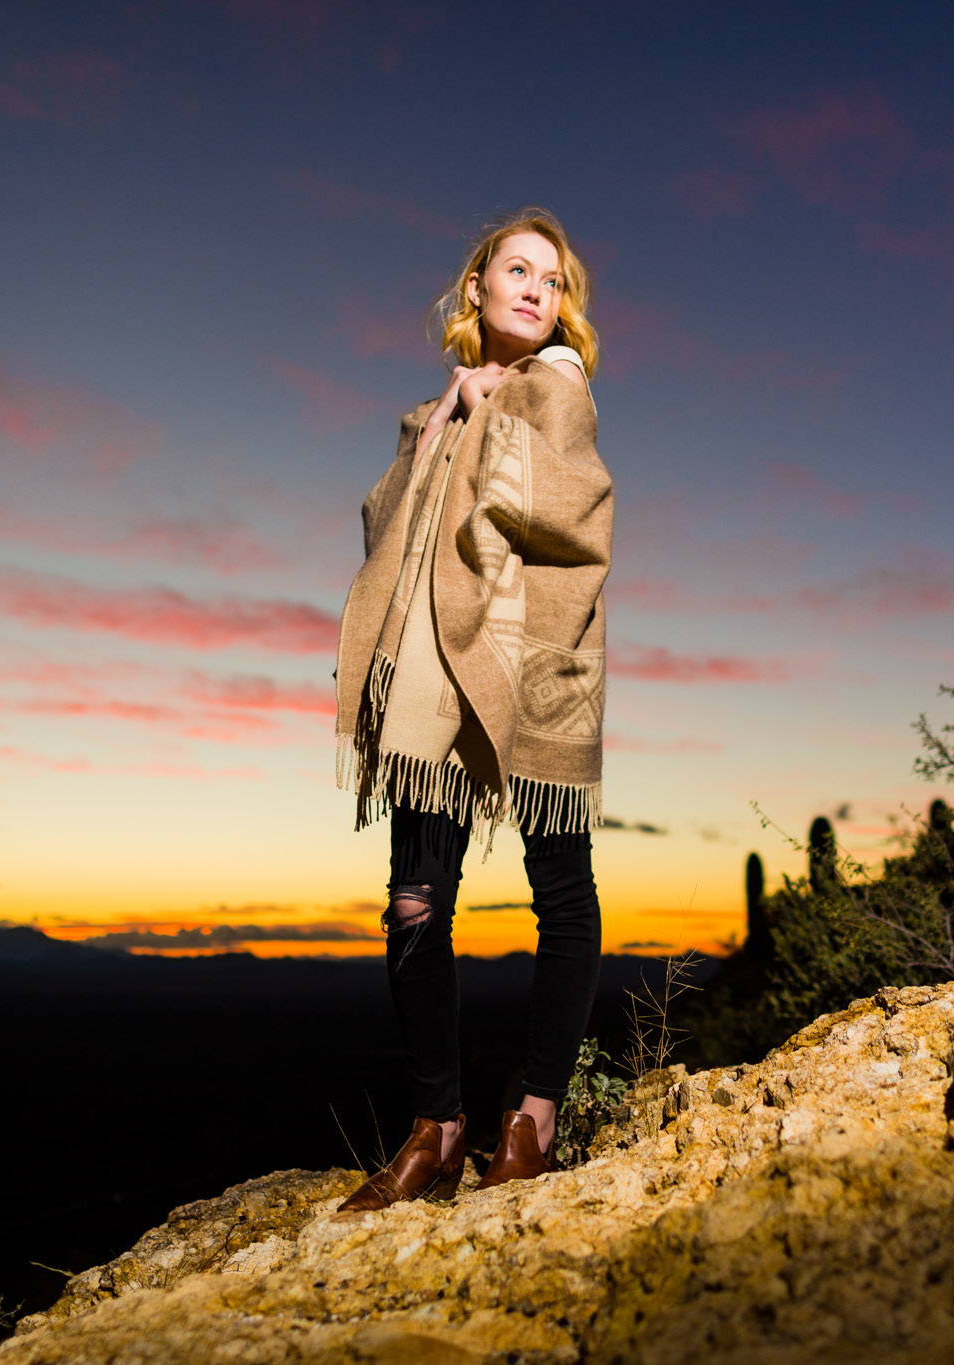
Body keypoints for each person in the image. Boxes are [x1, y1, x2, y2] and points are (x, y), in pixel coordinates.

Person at [332, 208, 611, 1213]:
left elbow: (573, 509)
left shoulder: (558, 384)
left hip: (537, 660)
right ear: (476, 290)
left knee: (560, 890)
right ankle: (437, 1127)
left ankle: (533, 1116)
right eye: (517, 270)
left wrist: (497, 412)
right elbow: (385, 525)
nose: (536, 289)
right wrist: (454, 408)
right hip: (433, 672)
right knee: (414, 902)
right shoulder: (436, 411)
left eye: (552, 278)